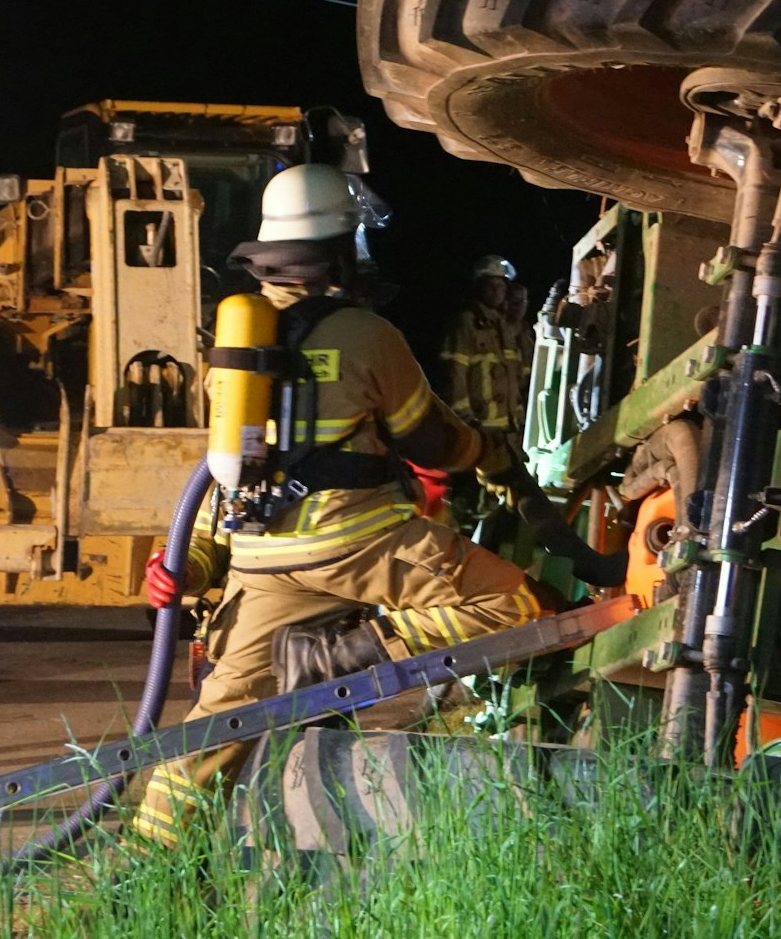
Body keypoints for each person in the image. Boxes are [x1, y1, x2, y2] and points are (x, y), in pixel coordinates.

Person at [130, 165, 622, 844]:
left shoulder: (234, 344)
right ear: (341, 244)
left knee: (216, 726)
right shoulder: (365, 334)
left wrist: (190, 563)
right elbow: (432, 439)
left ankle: (146, 862)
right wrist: (490, 451)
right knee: (520, 605)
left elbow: (227, 472)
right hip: (358, 542)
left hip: (262, 560)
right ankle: (342, 656)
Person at [442, 255, 528, 435]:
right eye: (490, 286)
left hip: (511, 429)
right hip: (481, 429)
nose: (496, 291)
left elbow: (517, 375)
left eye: (501, 286)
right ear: (479, 288)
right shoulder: (467, 323)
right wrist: (466, 421)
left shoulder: (505, 327)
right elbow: (455, 374)